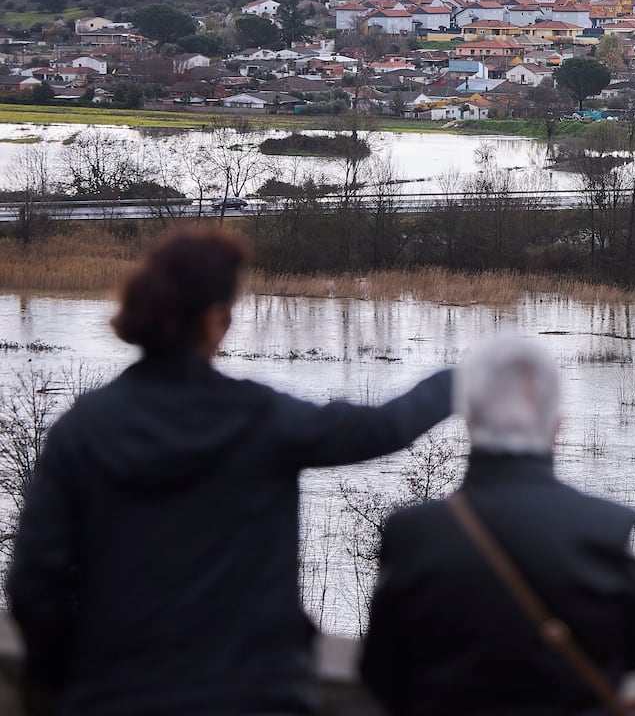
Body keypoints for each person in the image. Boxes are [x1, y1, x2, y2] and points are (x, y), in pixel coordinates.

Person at [6, 226, 456, 716]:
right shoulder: (261, 419)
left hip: (115, 694)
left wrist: (71, 681)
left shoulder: (82, 430)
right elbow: (382, 428)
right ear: (213, 320)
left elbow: (34, 582)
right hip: (253, 695)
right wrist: (461, 379)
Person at [360, 337, 635, 716]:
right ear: (557, 427)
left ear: (469, 421)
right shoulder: (606, 530)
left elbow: (379, 671)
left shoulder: (413, 534)